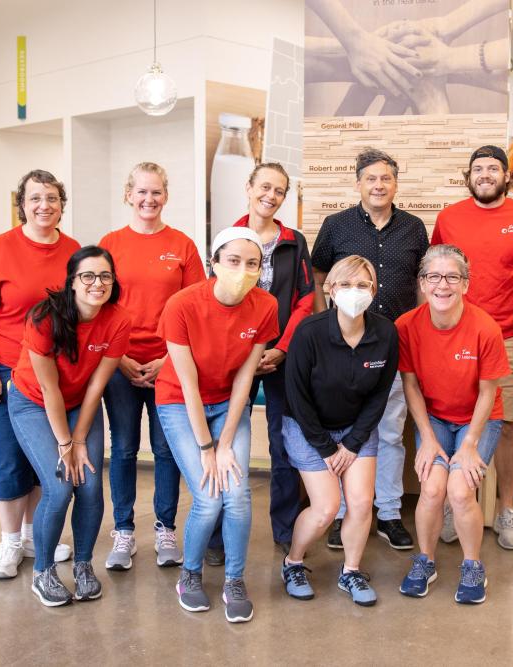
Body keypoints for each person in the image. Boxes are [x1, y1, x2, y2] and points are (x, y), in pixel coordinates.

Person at [156, 227, 279, 623]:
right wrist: (209, 448)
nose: (243, 270)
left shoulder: (265, 306)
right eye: (233, 261)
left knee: (238, 495)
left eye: (252, 263)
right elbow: (187, 382)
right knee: (209, 497)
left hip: (229, 403)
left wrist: (226, 440)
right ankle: (190, 576)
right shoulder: (182, 304)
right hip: (180, 400)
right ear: (214, 263)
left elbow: (246, 378)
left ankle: (234, 580)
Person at [0, 170, 80, 580]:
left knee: (39, 457)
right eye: (35, 198)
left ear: (61, 204)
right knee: (9, 456)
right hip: (3, 365)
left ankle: (31, 536)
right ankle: (9, 542)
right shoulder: (2, 247)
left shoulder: (73, 251)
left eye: (51, 197)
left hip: (49, 370)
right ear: (22, 205)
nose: (43, 205)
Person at [312, 147, 428, 551]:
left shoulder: (414, 228)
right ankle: (342, 512)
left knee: (391, 433)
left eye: (386, 179)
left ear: (396, 184)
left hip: (392, 346)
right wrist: (321, 326)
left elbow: (419, 283)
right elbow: (320, 276)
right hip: (342, 347)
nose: (379, 185)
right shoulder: (335, 225)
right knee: (343, 430)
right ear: (358, 183)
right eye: (371, 179)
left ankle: (390, 513)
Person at [431, 145, 513, 550]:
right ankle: (452, 504)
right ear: (469, 177)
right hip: (453, 336)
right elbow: (434, 273)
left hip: (508, 337)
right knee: (449, 420)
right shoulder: (449, 218)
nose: (485, 174)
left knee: (509, 424)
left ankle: (505, 508)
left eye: (493, 168)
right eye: (478, 169)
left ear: (506, 176)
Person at [8, 246, 130, 606]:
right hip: (33, 402)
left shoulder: (118, 320)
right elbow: (48, 389)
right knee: (61, 486)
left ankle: (83, 565)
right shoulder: (44, 319)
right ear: (72, 282)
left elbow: (96, 386)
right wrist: (66, 445)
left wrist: (80, 438)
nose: (97, 283)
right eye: (88, 276)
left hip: (79, 403)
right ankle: (43, 572)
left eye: (105, 276)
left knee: (90, 485)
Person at [99, 162, 205, 571]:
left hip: (169, 364)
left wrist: (167, 360)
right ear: (128, 194)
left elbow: (196, 309)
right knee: (123, 448)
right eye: (141, 192)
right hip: (121, 363)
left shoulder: (181, 245)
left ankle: (165, 529)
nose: (149, 199)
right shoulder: (111, 244)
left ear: (166, 196)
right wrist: (118, 357)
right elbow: (99, 305)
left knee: (166, 450)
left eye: (156, 192)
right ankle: (123, 532)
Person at [207, 163, 313, 561]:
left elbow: (305, 299)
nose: (271, 195)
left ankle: (285, 528)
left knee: (284, 444)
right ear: (248, 187)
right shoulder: (227, 238)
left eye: (280, 190)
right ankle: (216, 536)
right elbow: (213, 296)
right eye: (265, 186)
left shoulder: (294, 241)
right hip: (235, 356)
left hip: (282, 357)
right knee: (226, 439)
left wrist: (282, 346)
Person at [396, 244, 509, 604]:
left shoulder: (485, 328)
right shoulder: (407, 326)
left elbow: (488, 393)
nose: (442, 285)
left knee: (460, 491)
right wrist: (427, 440)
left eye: (452, 277)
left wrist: (469, 444)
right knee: (431, 489)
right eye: (433, 276)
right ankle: (425, 561)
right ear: (422, 283)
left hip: (479, 418)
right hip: (435, 417)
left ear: (465, 284)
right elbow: (410, 385)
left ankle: (473, 564)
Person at [281, 255, 397, 606]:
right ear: (330, 289)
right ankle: (293, 561)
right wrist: (328, 449)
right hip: (307, 427)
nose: (354, 291)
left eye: (362, 285)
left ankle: (351, 571)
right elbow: (297, 398)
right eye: (345, 284)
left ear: (374, 291)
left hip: (356, 428)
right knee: (327, 507)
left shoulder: (385, 333)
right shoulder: (309, 333)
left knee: (361, 503)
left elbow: (380, 396)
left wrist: (352, 442)